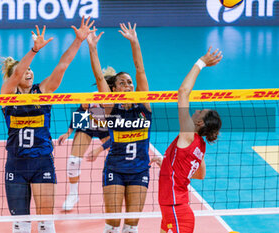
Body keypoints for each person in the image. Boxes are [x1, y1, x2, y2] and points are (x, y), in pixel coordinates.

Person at [0, 18, 95, 233]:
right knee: (20, 224)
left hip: (42, 161)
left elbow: (62, 66)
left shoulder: (42, 91)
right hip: (16, 163)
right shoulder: (6, 95)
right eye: (25, 70)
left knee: (45, 222)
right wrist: (34, 50)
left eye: (31, 69)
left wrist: (78, 41)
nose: (29, 72)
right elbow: (15, 73)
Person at [150, 47, 223, 233]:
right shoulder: (200, 145)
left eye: (200, 111)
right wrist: (168, 164)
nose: (195, 110)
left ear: (199, 122)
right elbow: (199, 174)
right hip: (173, 208)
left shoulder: (189, 134)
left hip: (176, 210)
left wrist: (201, 62)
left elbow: (183, 92)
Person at [87, 23, 151, 233]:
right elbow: (98, 77)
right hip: (115, 169)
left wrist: (135, 42)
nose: (128, 86)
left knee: (131, 226)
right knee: (113, 224)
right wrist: (92, 48)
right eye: (122, 83)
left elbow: (140, 69)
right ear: (114, 89)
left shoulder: (144, 104)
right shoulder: (110, 107)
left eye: (130, 83)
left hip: (140, 170)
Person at [58, 103, 110, 211]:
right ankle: (73, 195)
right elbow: (79, 111)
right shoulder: (93, 98)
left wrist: (100, 149)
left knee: (117, 158)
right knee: (73, 161)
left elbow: (116, 136)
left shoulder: (119, 101)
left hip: (106, 128)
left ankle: (115, 190)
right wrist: (68, 132)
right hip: (87, 125)